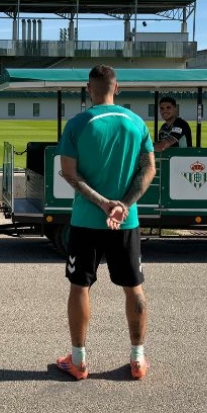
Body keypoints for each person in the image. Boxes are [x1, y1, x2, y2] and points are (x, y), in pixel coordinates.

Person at [55, 65, 156, 381]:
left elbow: (70, 174)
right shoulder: (137, 123)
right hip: (126, 222)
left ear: (89, 89)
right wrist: (123, 205)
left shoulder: (78, 124)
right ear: (118, 88)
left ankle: (78, 360)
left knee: (80, 286)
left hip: (86, 221)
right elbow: (148, 169)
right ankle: (138, 359)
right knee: (133, 288)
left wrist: (102, 203)